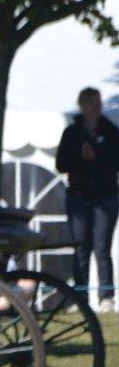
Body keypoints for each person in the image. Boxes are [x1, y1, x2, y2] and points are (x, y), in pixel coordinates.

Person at [56, 87, 119, 312]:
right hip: (78, 197)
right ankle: (79, 297)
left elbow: (116, 161)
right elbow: (61, 164)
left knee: (102, 248)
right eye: (92, 103)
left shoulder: (111, 131)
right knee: (80, 247)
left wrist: (97, 157)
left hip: (105, 197)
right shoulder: (72, 133)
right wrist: (80, 159)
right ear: (82, 105)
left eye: (98, 102)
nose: (97, 107)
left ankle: (106, 297)